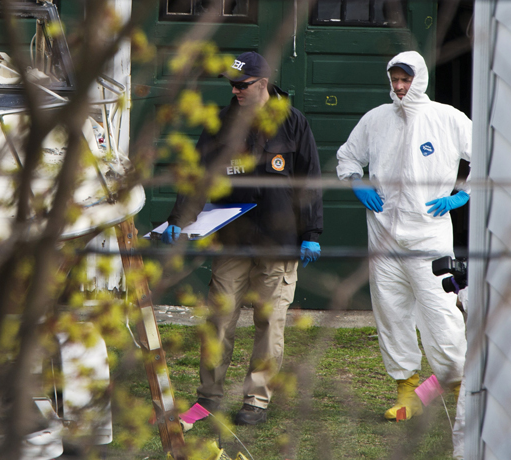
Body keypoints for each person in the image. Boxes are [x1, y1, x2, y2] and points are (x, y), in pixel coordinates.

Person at [162, 51, 323, 427]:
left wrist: (311, 233)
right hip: (232, 239)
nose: (234, 91)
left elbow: (309, 182)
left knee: (269, 322)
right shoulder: (220, 123)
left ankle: (256, 400)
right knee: (219, 319)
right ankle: (208, 399)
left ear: (263, 84)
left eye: (242, 85)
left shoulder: (293, 123)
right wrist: (178, 218)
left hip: (279, 241)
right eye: (231, 85)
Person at [336, 50, 469, 430]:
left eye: (405, 80)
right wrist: (358, 182)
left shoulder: (447, 119)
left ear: (420, 79)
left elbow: (491, 157)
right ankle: (407, 390)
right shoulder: (376, 119)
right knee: (391, 314)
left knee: (441, 316)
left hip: (428, 238)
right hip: (383, 237)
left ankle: (460, 390)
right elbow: (347, 158)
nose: (399, 87)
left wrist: (463, 194)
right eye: (394, 80)